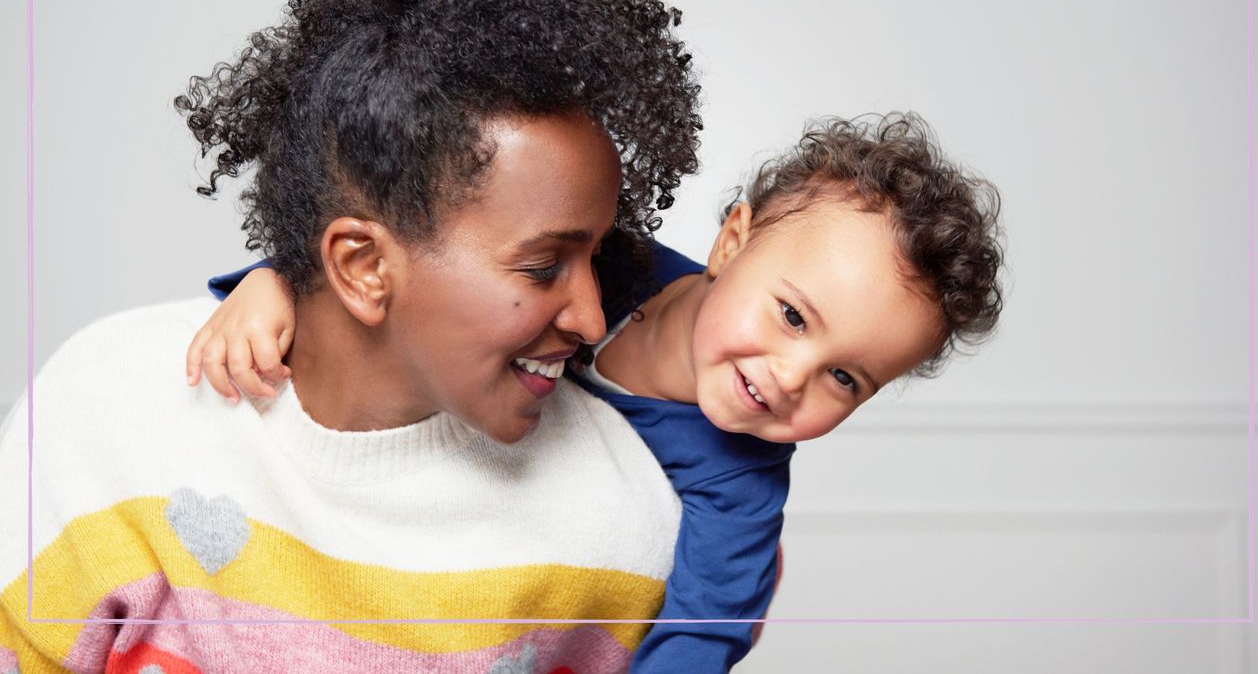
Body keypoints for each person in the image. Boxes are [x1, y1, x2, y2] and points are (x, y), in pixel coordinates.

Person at [0, 0, 703, 673]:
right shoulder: (106, 412)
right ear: (365, 267)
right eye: (542, 267)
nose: (591, 313)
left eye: (598, 259)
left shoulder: (622, 519)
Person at [193, 112, 1005, 672]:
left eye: (844, 377)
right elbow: (423, 269)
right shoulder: (607, 263)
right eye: (792, 314)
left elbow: (699, 638)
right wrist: (272, 283)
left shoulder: (740, 486)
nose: (791, 376)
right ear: (731, 241)